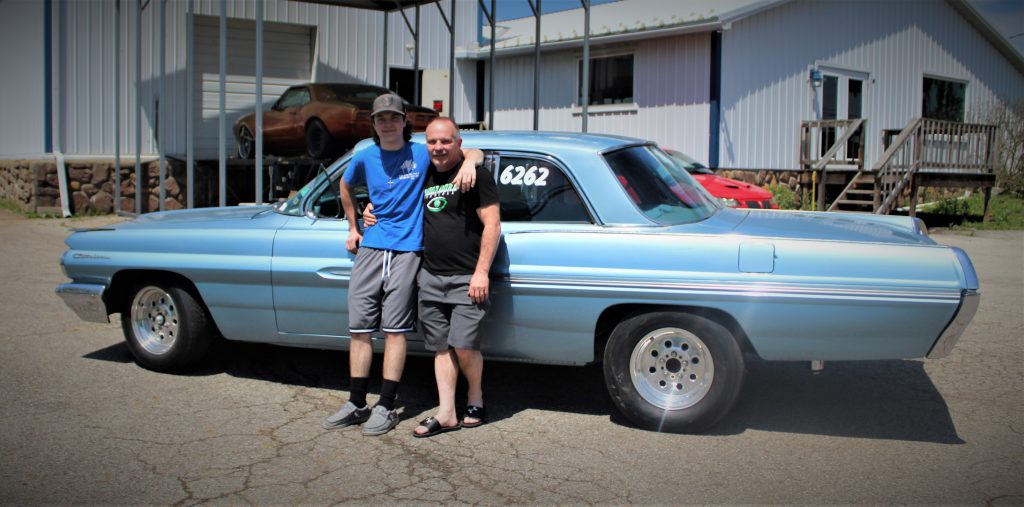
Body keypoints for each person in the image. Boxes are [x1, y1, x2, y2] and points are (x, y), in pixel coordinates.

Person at [323, 94, 481, 436]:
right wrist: (353, 225)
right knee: (359, 328)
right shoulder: (365, 154)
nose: (388, 123)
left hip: (409, 249)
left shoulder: (423, 151)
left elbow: (467, 150)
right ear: (374, 123)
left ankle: (386, 404)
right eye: (381, 118)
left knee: (395, 329)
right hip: (372, 246)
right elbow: (344, 185)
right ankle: (356, 402)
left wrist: (470, 162)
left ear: (404, 119)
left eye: (394, 117)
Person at [411, 118, 500, 438]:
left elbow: (493, 225)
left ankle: (475, 398)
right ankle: (447, 411)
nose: (438, 147)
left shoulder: (477, 175)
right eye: (432, 142)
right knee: (439, 347)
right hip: (430, 276)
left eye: (446, 141)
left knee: (463, 345)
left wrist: (481, 272)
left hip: (467, 277)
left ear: (458, 143)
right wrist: (369, 210)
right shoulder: (423, 173)